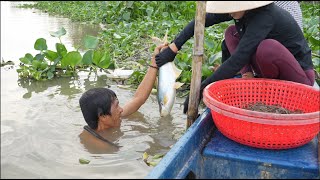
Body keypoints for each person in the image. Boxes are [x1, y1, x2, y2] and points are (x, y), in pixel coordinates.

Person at [154, 1, 315, 114]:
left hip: (299, 78)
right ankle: (250, 78)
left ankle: (268, 89)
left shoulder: (265, 15)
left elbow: (237, 59)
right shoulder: (239, 10)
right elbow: (201, 20)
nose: (230, 12)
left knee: (267, 48)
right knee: (231, 33)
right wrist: (174, 48)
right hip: (268, 69)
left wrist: (199, 89)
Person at [79, 44, 167, 148]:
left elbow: (139, 98)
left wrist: (155, 62)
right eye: (116, 106)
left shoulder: (112, 117)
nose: (121, 110)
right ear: (103, 116)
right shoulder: (99, 144)